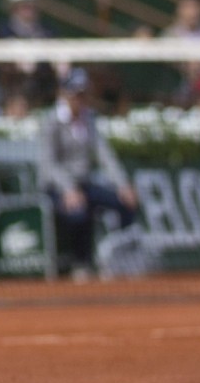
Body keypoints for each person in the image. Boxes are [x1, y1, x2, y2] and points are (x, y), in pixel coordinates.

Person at [38, 69, 140, 279]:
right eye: (76, 93)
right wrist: (69, 189)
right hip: (56, 187)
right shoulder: (50, 122)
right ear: (65, 94)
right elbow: (48, 164)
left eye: (83, 93)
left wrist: (123, 185)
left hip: (85, 184)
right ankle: (80, 263)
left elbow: (105, 156)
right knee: (78, 212)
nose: (81, 99)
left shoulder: (89, 118)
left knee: (124, 205)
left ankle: (116, 257)